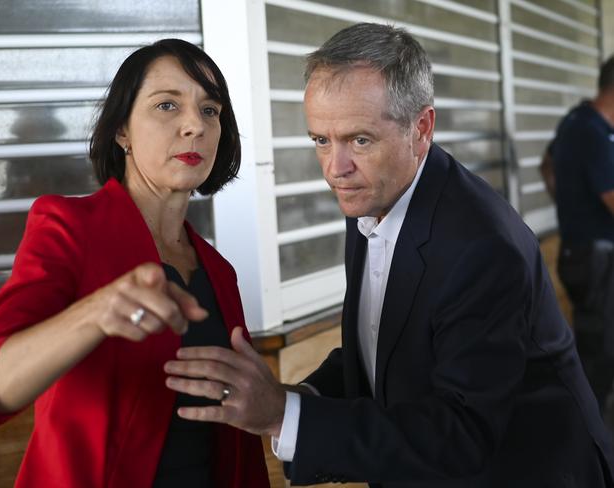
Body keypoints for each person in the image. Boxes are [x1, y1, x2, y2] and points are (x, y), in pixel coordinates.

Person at [162, 24, 614, 487]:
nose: (335, 169)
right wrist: (292, 395)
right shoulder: (373, 193)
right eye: (321, 140)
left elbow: (461, 435)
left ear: (421, 129)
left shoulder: (482, 246)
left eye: (360, 140)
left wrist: (285, 415)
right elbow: (382, 347)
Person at [0, 39, 269, 488]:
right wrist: (94, 313)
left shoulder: (219, 271)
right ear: (122, 130)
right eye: (167, 105)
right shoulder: (69, 227)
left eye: (210, 110)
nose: (194, 126)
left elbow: (236, 442)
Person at [539, 55, 614, 412]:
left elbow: (547, 164)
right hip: (595, 259)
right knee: (600, 357)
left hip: (581, 251)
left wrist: (570, 205)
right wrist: (577, 210)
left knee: (596, 350)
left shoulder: (578, 121)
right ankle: (594, 442)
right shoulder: (593, 132)